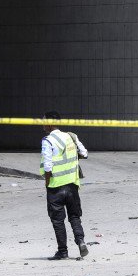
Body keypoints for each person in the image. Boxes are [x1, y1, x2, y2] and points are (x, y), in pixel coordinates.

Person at [40, 111, 89, 260]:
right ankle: (80, 241)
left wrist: (47, 183)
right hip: (72, 185)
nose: (42, 125)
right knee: (74, 216)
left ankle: (63, 251)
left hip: (56, 186)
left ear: (49, 123)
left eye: (43, 122)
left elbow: (48, 166)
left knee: (57, 220)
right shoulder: (71, 136)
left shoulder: (47, 141)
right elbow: (85, 154)